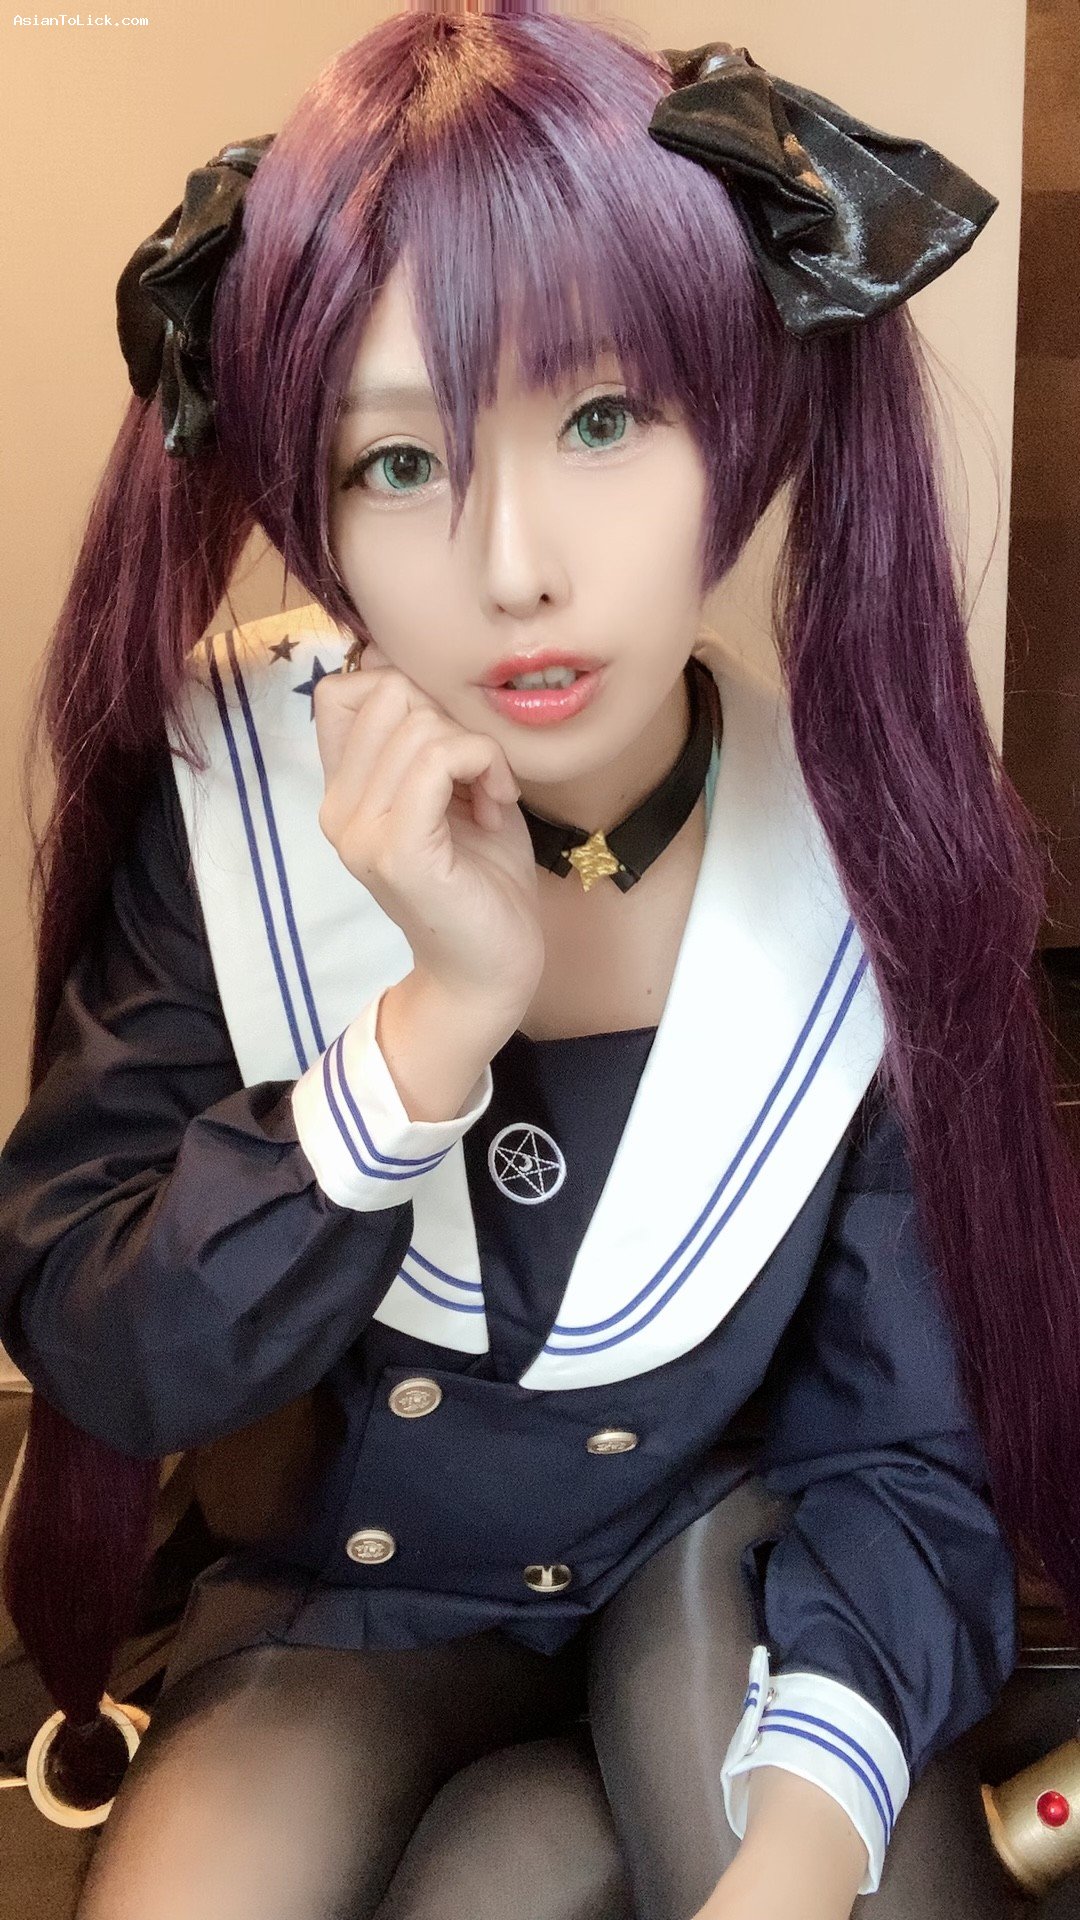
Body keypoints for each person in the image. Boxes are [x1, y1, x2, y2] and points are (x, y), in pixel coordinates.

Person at [0, 4, 1076, 1915]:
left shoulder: (869, 857)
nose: (515, 570)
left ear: (743, 417)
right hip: (347, 1604)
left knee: (543, 1875)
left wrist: (799, 1853)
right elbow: (107, 1346)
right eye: (397, 461)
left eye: (600, 420)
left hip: (710, 1577)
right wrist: (438, 1022)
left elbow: (904, 1446)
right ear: (305, 499)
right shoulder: (227, 793)